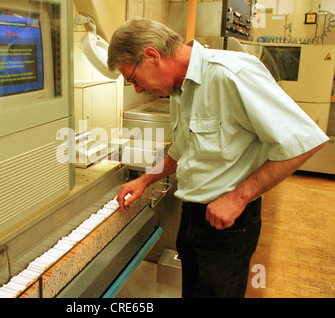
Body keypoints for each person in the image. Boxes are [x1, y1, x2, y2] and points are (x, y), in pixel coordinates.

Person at [107, 17, 328, 298]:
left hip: (229, 229)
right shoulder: (179, 88)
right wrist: (147, 180)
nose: (138, 89)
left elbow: (304, 141)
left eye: (133, 80)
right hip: (193, 220)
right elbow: (183, 149)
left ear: (152, 56)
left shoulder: (231, 74)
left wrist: (238, 198)